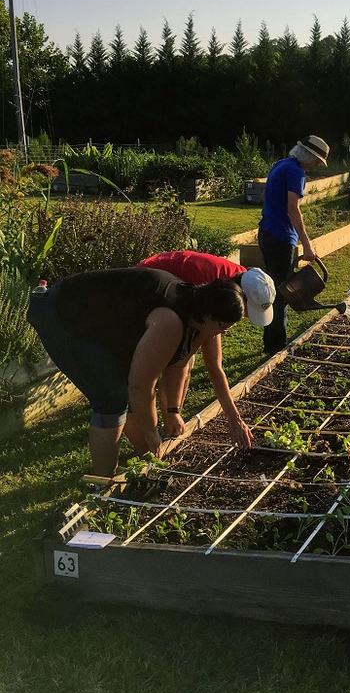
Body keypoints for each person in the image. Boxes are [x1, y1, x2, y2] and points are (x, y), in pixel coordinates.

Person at [27, 267, 247, 477]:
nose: (223, 333)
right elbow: (141, 386)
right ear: (209, 315)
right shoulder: (170, 321)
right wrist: (152, 433)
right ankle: (103, 486)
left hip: (98, 321)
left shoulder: (194, 309)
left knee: (122, 388)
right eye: (222, 327)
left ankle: (144, 457)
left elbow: (177, 364)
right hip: (61, 314)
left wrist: (171, 411)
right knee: (111, 398)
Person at [137, 250, 275, 442]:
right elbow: (203, 365)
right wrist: (235, 421)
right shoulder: (215, 296)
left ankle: (172, 423)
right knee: (172, 357)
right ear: (242, 298)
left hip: (169, 278)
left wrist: (235, 420)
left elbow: (212, 362)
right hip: (147, 286)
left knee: (186, 355)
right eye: (247, 312)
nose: (245, 317)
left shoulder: (240, 282)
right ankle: (162, 425)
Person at [257, 135, 330, 354]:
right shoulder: (295, 172)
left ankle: (271, 342)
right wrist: (306, 244)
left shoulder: (281, 165)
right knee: (283, 292)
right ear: (308, 156)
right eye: (317, 161)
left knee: (276, 287)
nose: (317, 165)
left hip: (267, 232)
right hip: (280, 237)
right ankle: (277, 347)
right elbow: (292, 209)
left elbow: (269, 197)